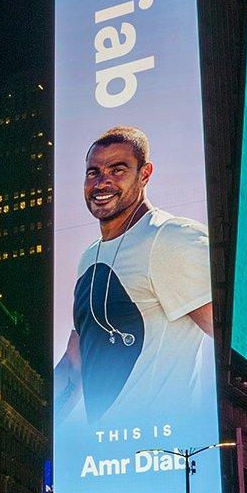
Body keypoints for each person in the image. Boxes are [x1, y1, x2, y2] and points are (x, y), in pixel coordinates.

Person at [54, 127, 215, 430]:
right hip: (105, 457)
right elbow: (75, 366)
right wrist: (41, 432)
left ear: (145, 173)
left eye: (118, 170)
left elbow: (228, 336)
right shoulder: (89, 258)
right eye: (93, 172)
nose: (102, 182)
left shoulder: (170, 238)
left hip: (167, 453)